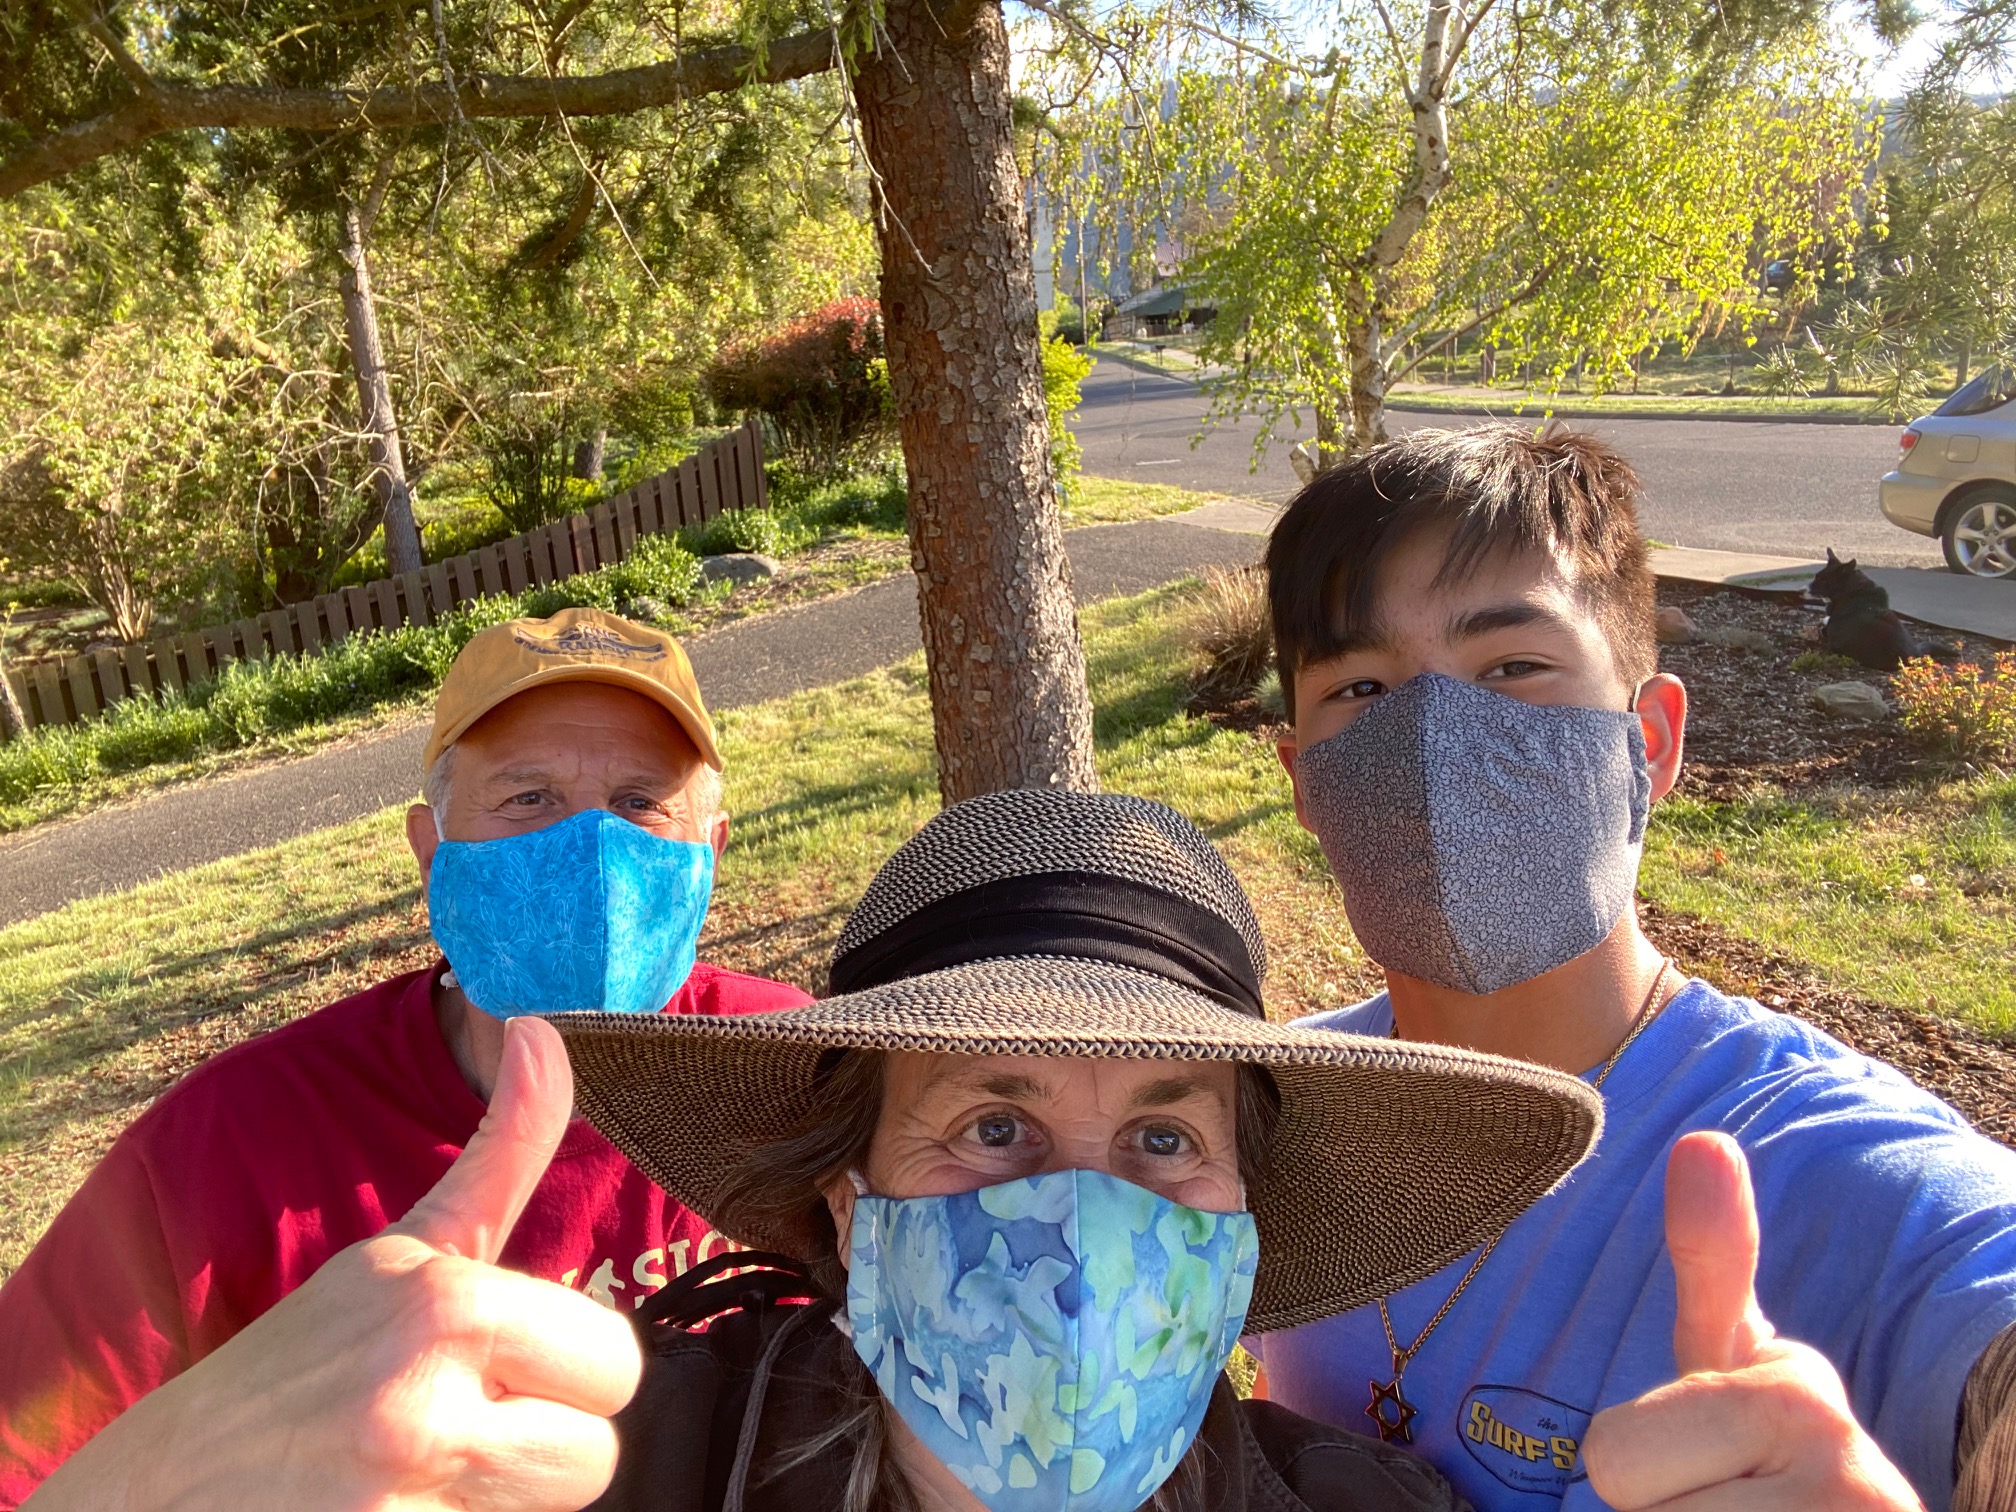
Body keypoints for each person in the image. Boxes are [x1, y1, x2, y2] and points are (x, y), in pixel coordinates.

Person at [1253, 425, 2016, 1512]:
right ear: (1303, 778)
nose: (1432, 740)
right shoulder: (1267, 1113)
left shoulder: (1827, 1173)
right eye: (1364, 690)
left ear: (1649, 743)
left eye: (1512, 667)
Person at [555, 787, 1611, 1510]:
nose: (1078, 1230)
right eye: (995, 1129)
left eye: (1164, 1137)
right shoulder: (624, 1460)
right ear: (848, 1198)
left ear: (1242, 1220)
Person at [0, 606, 812, 1509]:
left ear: (710, 853)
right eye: (527, 797)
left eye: (639, 803)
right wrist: (174, 1473)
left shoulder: (803, 1075)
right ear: (432, 852)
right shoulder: (218, 1156)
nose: (592, 853)